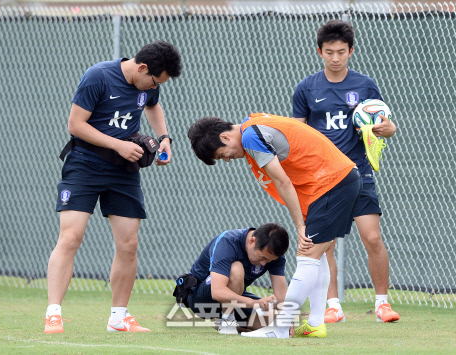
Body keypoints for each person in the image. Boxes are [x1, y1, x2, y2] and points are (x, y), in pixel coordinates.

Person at [44, 40, 182, 334]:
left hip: (123, 171)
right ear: (142, 67)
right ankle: (53, 313)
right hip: (85, 163)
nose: (154, 87)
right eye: (155, 81)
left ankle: (119, 317)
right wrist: (118, 145)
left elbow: (153, 106)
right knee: (70, 237)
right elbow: (76, 124)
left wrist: (165, 138)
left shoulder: (149, 83)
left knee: (129, 244)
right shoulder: (98, 76)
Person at [187, 113, 362, 338]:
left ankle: (279, 330)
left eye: (223, 155)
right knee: (318, 254)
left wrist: (299, 224)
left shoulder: (250, 136)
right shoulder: (255, 123)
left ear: (225, 137)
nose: (229, 159)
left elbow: (282, 181)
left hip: (331, 184)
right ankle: (316, 322)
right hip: (338, 181)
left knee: (307, 254)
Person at [292, 19, 399, 323]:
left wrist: (388, 128)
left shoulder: (365, 85)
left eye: (341, 51)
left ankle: (382, 304)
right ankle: (333, 306)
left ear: (351, 51)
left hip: (358, 173)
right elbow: (298, 135)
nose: (336, 57)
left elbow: (385, 125)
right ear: (319, 52)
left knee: (373, 238)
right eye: (329, 52)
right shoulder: (306, 88)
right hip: (322, 177)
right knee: (325, 244)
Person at [176, 223, 289, 335]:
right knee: (236, 268)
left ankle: (234, 324)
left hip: (234, 299)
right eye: (262, 257)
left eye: (269, 260)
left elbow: (281, 294)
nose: (264, 263)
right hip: (201, 298)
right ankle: (227, 321)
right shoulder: (227, 242)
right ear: (252, 241)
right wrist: (253, 303)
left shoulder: (273, 255)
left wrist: (285, 320)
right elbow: (217, 292)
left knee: (275, 321)